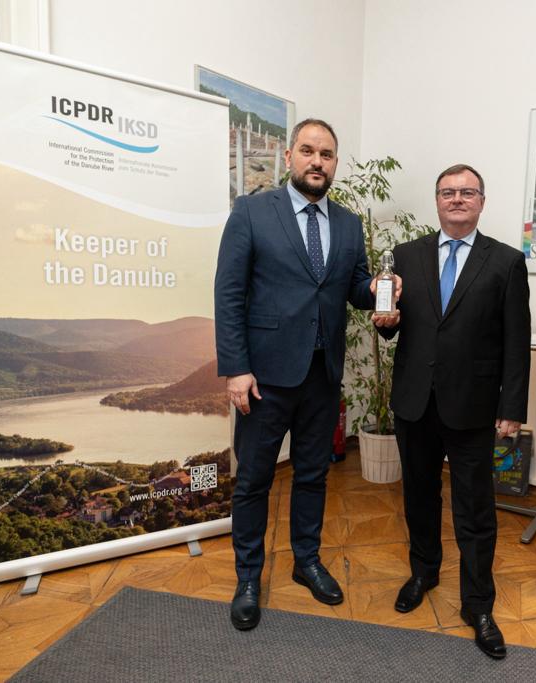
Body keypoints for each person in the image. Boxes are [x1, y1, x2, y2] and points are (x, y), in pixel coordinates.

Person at [215, 118, 398, 631]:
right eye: (309, 151)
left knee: (314, 476)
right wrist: (236, 369)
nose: (318, 162)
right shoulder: (252, 211)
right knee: (252, 481)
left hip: (322, 374)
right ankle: (248, 577)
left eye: (328, 154)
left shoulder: (347, 222)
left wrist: (383, 291)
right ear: (290, 156)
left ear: (336, 164)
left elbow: (355, 287)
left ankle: (307, 561)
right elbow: (228, 294)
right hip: (265, 378)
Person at [374, 164, 530, 659]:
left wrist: (512, 407)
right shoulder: (407, 255)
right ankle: (423, 572)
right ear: (437, 201)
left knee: (475, 509)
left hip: (474, 406)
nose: (457, 199)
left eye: (467, 192)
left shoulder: (505, 262)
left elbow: (516, 341)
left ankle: (477, 604)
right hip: (415, 401)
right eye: (448, 192)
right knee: (419, 496)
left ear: (482, 201)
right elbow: (392, 328)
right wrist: (385, 322)